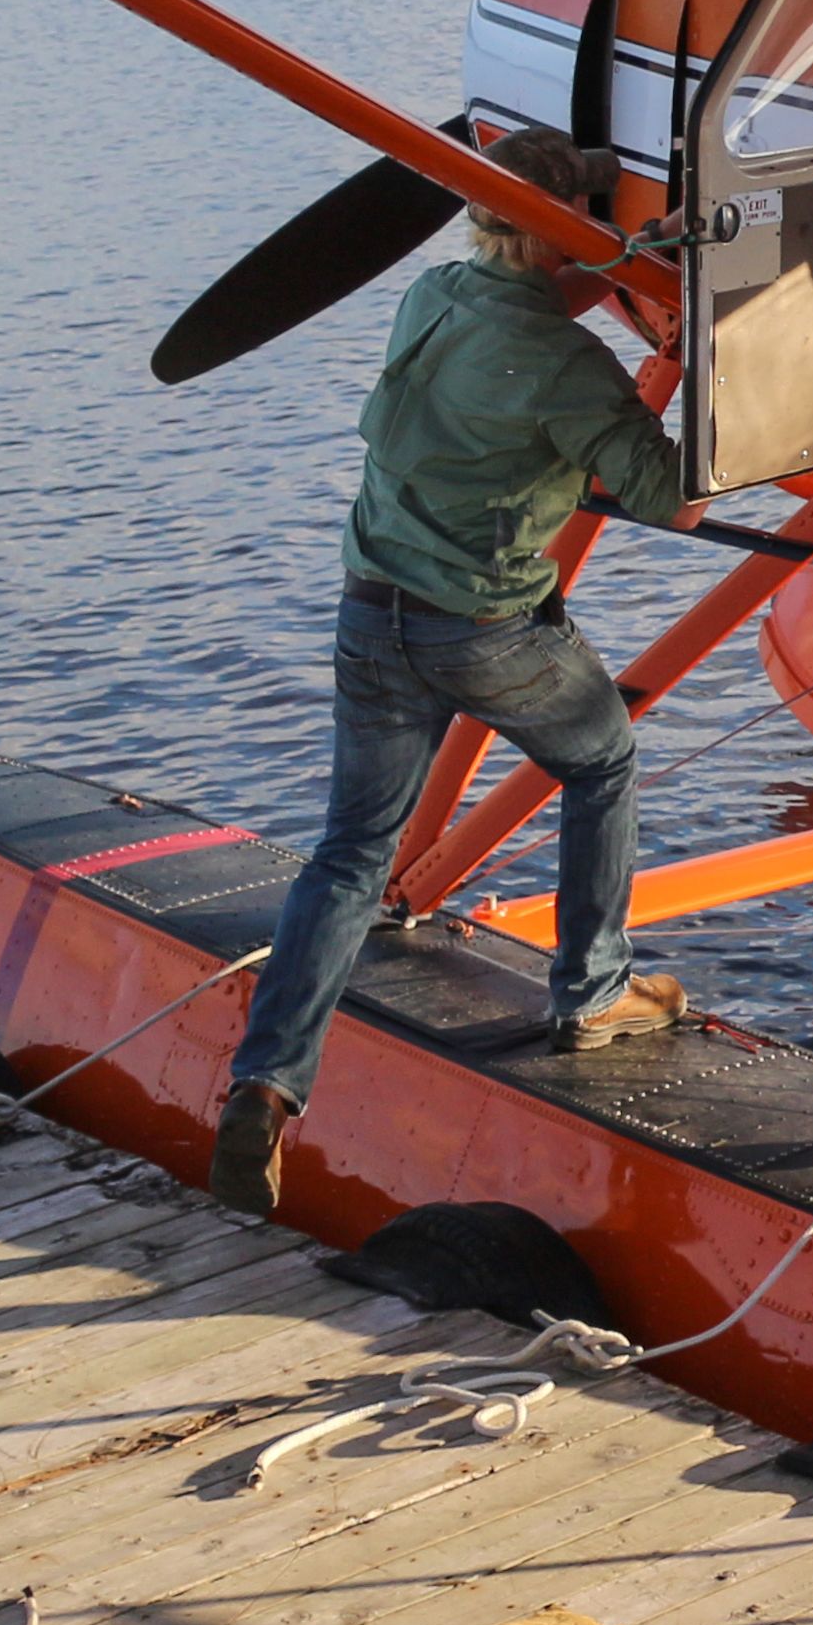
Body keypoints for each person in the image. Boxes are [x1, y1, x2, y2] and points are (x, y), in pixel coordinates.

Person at [213, 127, 698, 1217]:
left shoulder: (432, 292)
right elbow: (676, 499)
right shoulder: (575, 370)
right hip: (482, 630)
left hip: (367, 614)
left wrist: (623, 260)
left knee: (348, 853)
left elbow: (526, 305)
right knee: (603, 761)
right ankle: (592, 992)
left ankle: (266, 1085)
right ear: (574, 223)